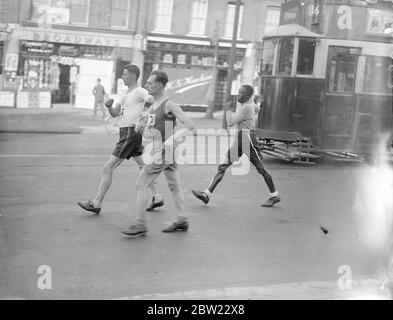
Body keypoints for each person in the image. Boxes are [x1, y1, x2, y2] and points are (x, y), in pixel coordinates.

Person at [77, 65, 164, 214]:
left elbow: (156, 101)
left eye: (125, 74)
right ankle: (157, 197)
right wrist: (109, 107)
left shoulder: (140, 91)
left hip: (131, 133)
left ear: (133, 76)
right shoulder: (125, 93)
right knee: (143, 167)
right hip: (126, 132)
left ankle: (97, 203)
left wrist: (146, 119)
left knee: (107, 168)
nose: (123, 77)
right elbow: (115, 113)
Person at [121, 70, 196, 237]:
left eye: (150, 83)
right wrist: (142, 127)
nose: (147, 85)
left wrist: (171, 140)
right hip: (160, 150)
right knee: (174, 185)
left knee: (141, 182)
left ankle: (140, 223)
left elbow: (190, 125)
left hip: (164, 151)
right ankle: (182, 219)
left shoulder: (169, 104)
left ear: (160, 85)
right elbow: (154, 127)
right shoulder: (153, 106)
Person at [192, 84, 281, 208]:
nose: (238, 95)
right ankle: (207, 194)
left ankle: (274, 195)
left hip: (248, 139)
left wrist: (228, 110)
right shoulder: (249, 106)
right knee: (222, 166)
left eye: (241, 93)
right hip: (240, 139)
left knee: (261, 169)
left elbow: (231, 122)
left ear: (248, 96)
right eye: (238, 92)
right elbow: (257, 108)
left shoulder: (245, 108)